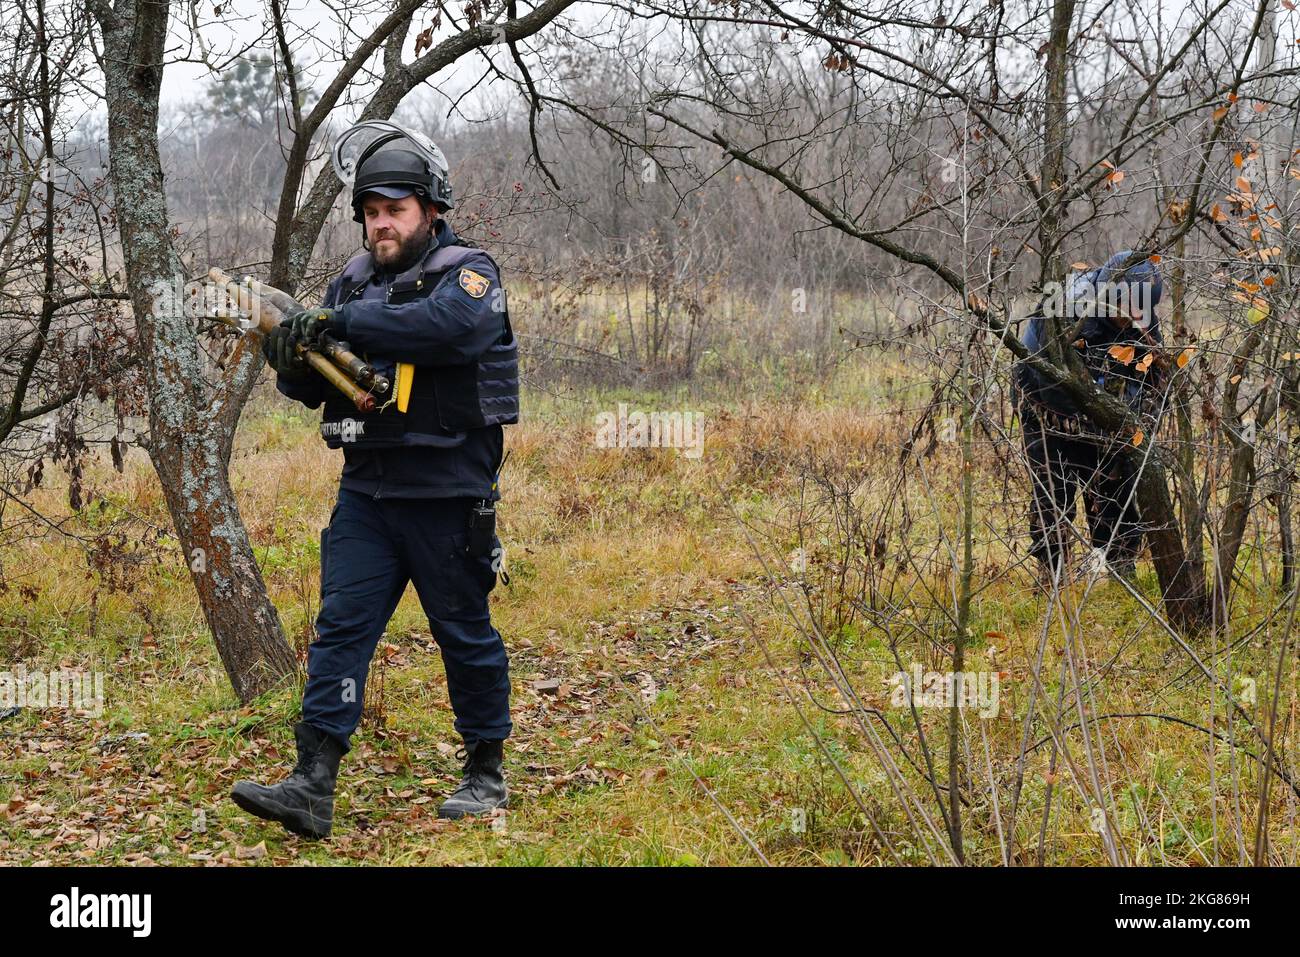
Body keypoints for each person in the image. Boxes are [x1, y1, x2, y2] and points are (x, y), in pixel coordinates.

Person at [231, 124, 519, 839]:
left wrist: (345, 320)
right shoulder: (351, 282)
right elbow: (309, 388)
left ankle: (485, 770)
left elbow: (447, 328)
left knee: (464, 632)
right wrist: (289, 350)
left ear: (428, 208)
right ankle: (313, 781)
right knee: (340, 631)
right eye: (370, 211)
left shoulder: (470, 273)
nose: (380, 223)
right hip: (368, 491)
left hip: (447, 493)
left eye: (395, 208)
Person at [1012, 250, 1166, 587]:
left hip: (1105, 414)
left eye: (1140, 312)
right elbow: (1045, 375)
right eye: (1127, 313)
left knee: (1115, 483)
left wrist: (1134, 414)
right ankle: (1051, 574)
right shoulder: (1066, 308)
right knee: (1055, 486)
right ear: (1112, 295)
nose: (1133, 320)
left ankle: (1122, 565)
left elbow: (1154, 378)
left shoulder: (1143, 316)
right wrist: (1093, 418)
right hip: (1046, 408)